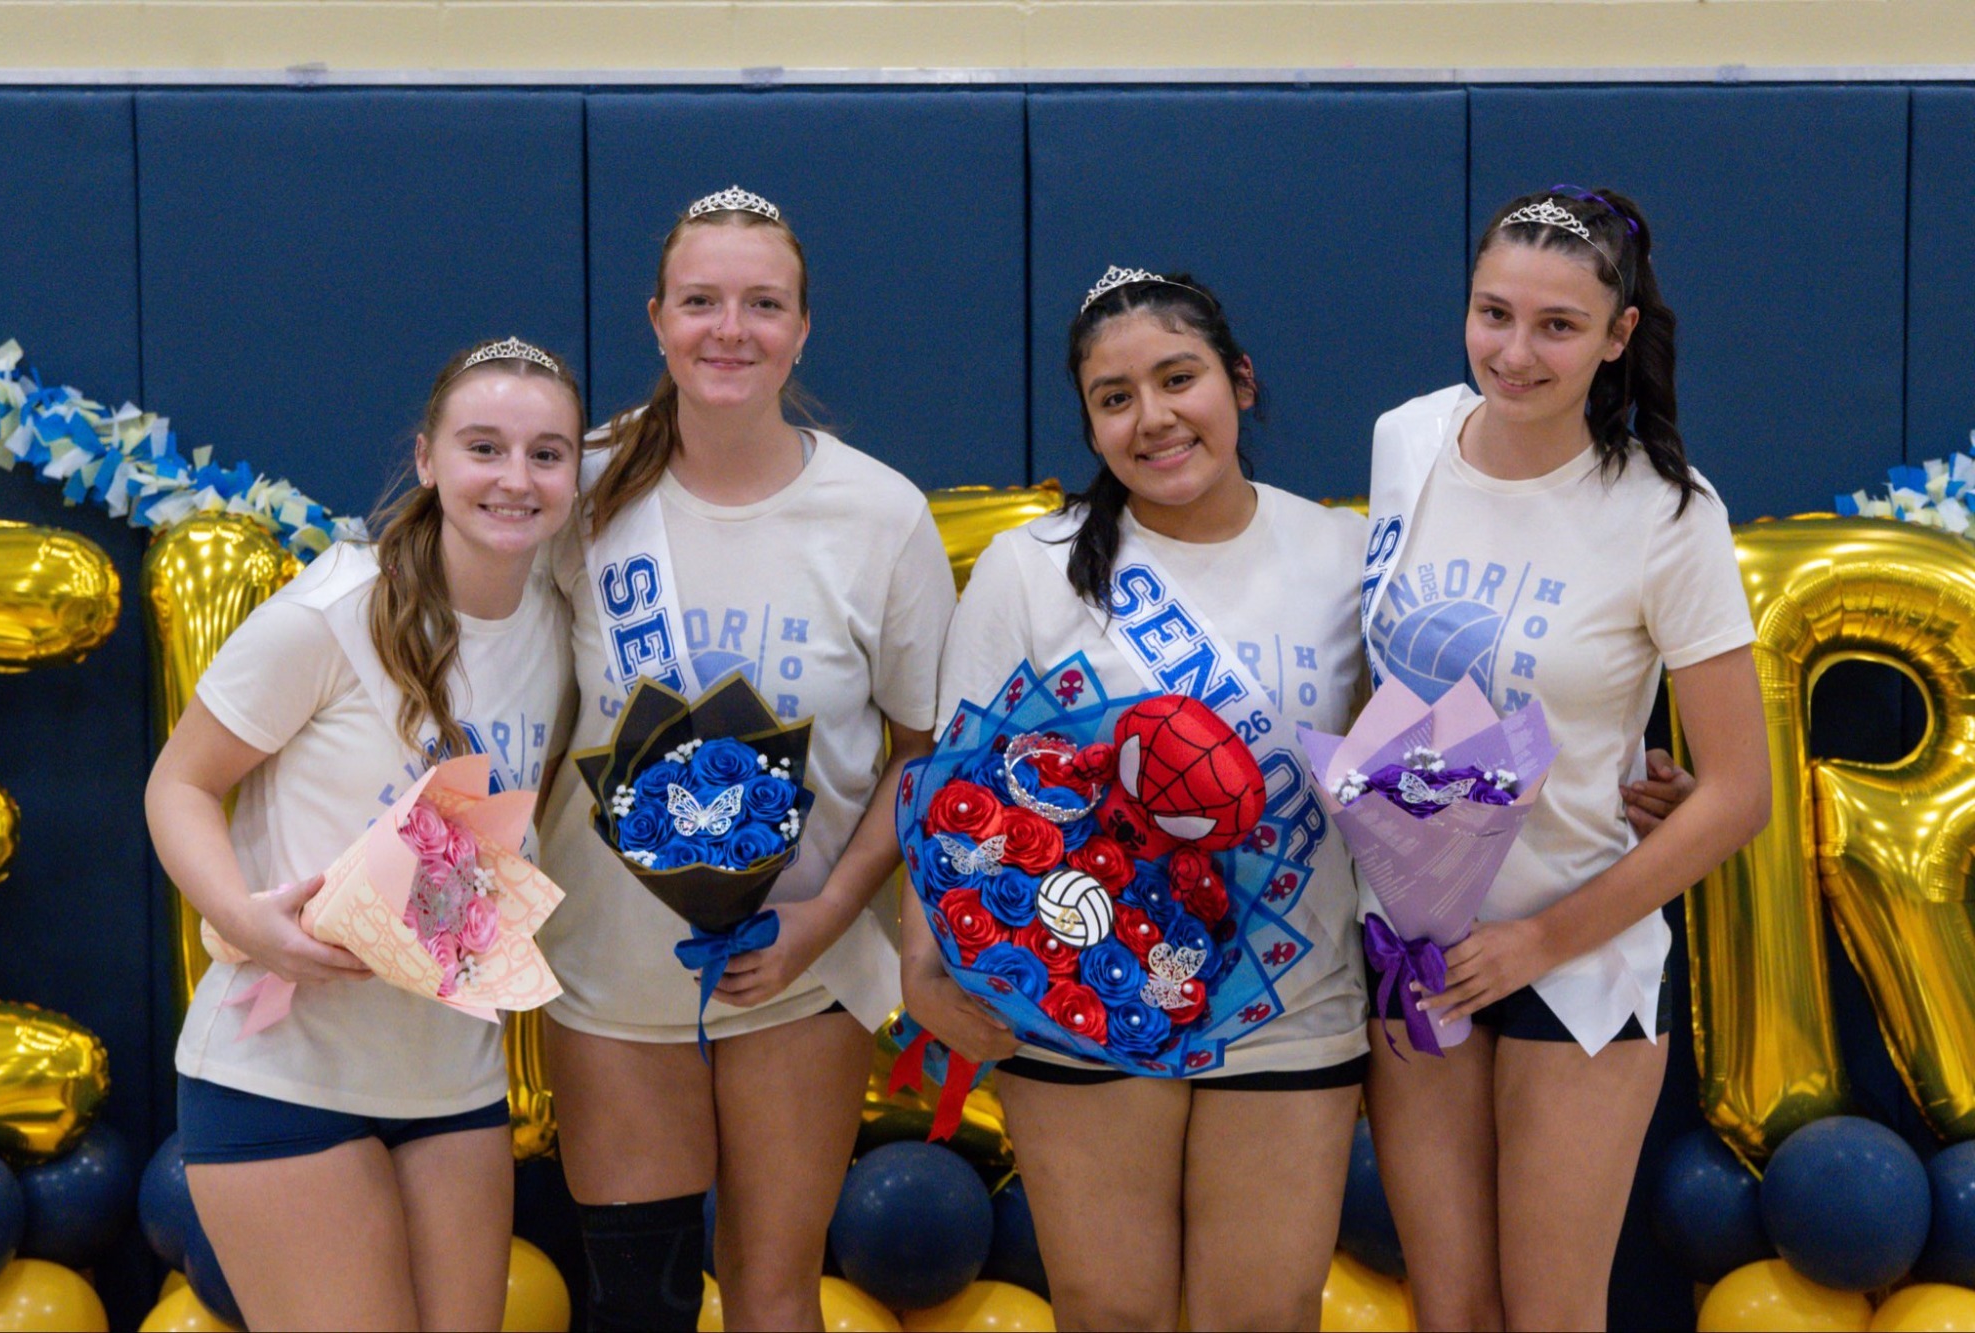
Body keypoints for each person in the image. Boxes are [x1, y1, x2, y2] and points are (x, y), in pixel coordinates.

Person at [904, 267, 1374, 1331]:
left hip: (1286, 1003)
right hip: (1084, 996)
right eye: (1114, 398)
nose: (1152, 418)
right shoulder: (1030, 570)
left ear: (1239, 383)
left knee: (1261, 1315)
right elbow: (954, 791)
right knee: (1109, 1312)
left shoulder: (1341, 554)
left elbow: (1409, 768)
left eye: (1178, 378)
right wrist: (922, 967)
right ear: (1089, 423)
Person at [534, 185, 958, 1332]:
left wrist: (824, 920)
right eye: (701, 301)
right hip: (611, 968)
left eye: (762, 304)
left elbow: (922, 751)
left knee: (775, 1295)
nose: (731, 329)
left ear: (802, 327)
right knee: (641, 1305)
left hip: (798, 972)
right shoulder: (573, 490)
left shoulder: (878, 515)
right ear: (657, 319)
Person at [1358, 187, 1771, 1331]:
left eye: (1555, 325)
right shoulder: (1405, 440)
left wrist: (1538, 938)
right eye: (1492, 313)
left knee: (1547, 1314)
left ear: (1616, 335)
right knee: (1450, 1309)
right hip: (1416, 948)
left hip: (1574, 959)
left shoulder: (1665, 515)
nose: (1514, 351)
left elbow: (1738, 794)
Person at [147, 338, 583, 1330]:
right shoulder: (335, 610)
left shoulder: (562, 631)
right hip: (280, 1078)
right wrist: (242, 919)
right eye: (484, 446)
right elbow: (178, 786)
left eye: (546, 454)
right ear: (426, 458)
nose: (515, 478)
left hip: (450, 1086)